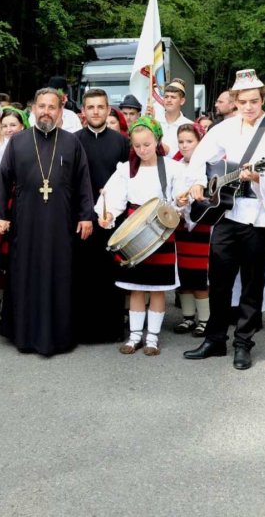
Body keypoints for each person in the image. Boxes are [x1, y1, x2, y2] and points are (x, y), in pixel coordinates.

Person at [183, 69, 265, 370]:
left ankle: (243, 343)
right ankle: (215, 340)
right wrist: (196, 182)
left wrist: (259, 176)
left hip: (260, 215)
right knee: (218, 280)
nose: (248, 107)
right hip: (228, 213)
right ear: (234, 101)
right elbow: (200, 156)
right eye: (242, 101)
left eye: (254, 101)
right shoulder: (225, 128)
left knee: (252, 282)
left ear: (263, 99)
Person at [0, 88, 94, 356]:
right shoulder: (18, 142)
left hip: (62, 222)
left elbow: (84, 182)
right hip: (26, 223)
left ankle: (59, 336)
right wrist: (0, 215)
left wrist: (86, 216)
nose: (46, 111)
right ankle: (25, 334)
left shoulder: (71, 142)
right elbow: (3, 179)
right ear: (33, 109)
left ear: (60, 111)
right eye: (41, 106)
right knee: (26, 273)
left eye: (52, 107)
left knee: (60, 274)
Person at [97, 117, 181, 355]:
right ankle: (134, 336)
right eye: (137, 146)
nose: (142, 150)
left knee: (157, 289)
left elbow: (180, 200)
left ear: (157, 141)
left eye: (147, 144)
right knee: (136, 288)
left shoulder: (172, 168)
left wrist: (181, 203)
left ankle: (152, 338)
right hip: (135, 231)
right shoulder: (125, 169)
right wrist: (108, 216)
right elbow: (113, 199)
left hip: (161, 232)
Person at [74, 89, 129, 344]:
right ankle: (82, 330)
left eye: (100, 107)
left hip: (112, 219)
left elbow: (128, 179)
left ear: (109, 110)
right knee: (83, 275)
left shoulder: (120, 142)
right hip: (82, 219)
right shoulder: (73, 141)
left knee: (111, 274)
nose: (96, 111)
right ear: (83, 112)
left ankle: (112, 329)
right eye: (91, 107)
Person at [172, 122, 211, 335]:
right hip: (180, 225)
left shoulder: (208, 165)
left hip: (201, 225)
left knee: (199, 274)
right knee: (183, 273)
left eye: (190, 141)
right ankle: (187, 317)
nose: (185, 146)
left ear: (199, 142)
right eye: (181, 142)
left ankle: (204, 319)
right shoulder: (173, 165)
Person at [159, 78, 194, 155]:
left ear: (182, 101)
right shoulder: (154, 122)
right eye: (166, 97)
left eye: (173, 97)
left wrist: (168, 151)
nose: (168, 100)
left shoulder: (190, 126)